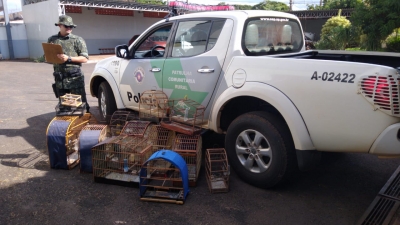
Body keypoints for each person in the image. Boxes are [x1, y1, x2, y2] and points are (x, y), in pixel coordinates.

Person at [48, 15, 90, 112]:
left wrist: (69, 59)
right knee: (64, 107)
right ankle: (66, 126)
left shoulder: (77, 40)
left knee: (81, 105)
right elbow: (48, 58)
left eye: (71, 27)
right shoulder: (52, 40)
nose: (69, 28)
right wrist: (50, 56)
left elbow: (84, 58)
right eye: (66, 26)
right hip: (60, 80)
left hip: (74, 79)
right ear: (59, 25)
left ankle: (84, 124)